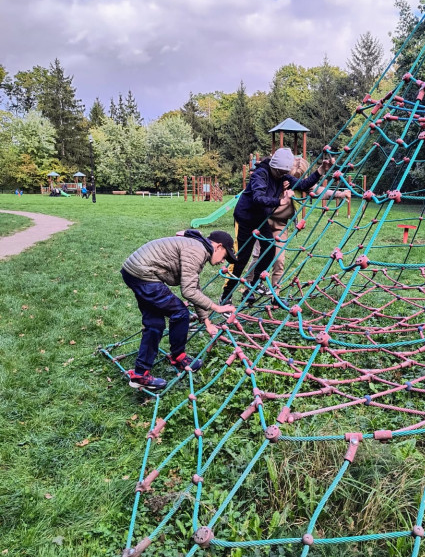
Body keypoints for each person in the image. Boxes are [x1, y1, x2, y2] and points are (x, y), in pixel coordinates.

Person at [121, 229, 237, 391]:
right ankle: (178, 356)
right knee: (180, 313)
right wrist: (216, 307)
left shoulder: (197, 248)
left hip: (135, 272)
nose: (222, 261)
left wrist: (206, 321)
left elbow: (194, 288)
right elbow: (188, 292)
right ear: (218, 247)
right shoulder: (197, 250)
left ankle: (140, 374)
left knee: (155, 323)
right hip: (145, 275)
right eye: (225, 256)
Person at [220, 147, 334, 303]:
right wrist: (281, 201)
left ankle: (254, 285)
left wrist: (321, 170)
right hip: (245, 218)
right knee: (241, 259)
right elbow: (258, 198)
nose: (282, 175)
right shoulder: (261, 174)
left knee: (270, 249)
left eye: (284, 172)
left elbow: (302, 184)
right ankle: (226, 296)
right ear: (274, 166)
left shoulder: (283, 175)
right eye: (279, 172)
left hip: (260, 218)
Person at [250, 157, 351, 291]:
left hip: (281, 225)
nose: (292, 181)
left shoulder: (302, 185)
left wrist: (341, 194)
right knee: (258, 256)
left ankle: (276, 294)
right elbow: (260, 193)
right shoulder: (276, 180)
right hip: (264, 222)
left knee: (279, 260)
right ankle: (250, 286)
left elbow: (321, 191)